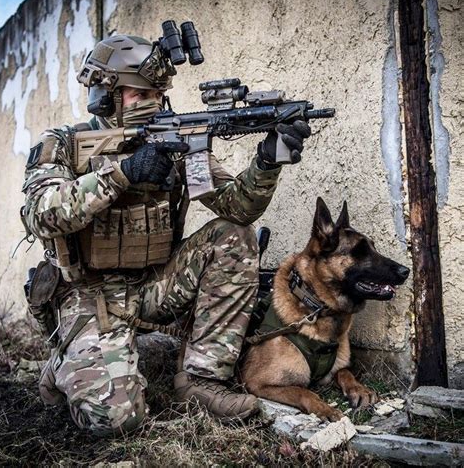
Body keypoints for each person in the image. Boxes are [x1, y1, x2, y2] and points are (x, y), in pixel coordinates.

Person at [22, 34, 311, 436]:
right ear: (104, 95)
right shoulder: (64, 144)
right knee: (115, 421)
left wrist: (267, 161)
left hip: (155, 285)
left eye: (158, 92)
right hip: (87, 293)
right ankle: (64, 362)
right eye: (140, 93)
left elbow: (236, 207)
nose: (153, 102)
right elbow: (42, 214)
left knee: (234, 236)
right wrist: (122, 174)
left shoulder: (175, 142)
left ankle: (200, 381)